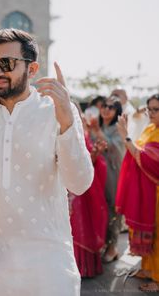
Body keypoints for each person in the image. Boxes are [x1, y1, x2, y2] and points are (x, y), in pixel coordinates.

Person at [0, 28, 93, 295]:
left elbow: (79, 183)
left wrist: (66, 120)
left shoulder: (56, 111)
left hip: (49, 266)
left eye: (6, 63)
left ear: (32, 69)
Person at [115, 94, 159, 292]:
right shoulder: (151, 128)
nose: (151, 113)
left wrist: (125, 135)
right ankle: (149, 269)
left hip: (156, 192)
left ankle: (157, 279)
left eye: (156, 109)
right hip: (145, 190)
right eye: (150, 108)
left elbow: (150, 161)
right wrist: (128, 138)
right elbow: (138, 151)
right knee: (151, 232)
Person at [69, 103, 108, 278]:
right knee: (74, 226)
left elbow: (85, 162)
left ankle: (82, 267)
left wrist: (95, 154)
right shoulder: (56, 128)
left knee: (82, 224)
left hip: (81, 188)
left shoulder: (81, 130)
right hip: (65, 186)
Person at [88, 96, 125, 263]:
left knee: (112, 208)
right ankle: (101, 243)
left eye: (111, 107)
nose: (106, 109)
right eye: (104, 106)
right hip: (96, 173)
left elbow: (115, 148)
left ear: (117, 111)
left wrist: (97, 132)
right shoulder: (97, 125)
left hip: (112, 173)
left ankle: (113, 246)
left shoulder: (118, 128)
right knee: (98, 206)